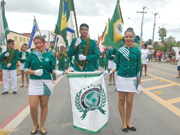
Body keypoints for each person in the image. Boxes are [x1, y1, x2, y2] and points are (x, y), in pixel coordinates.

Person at [24, 35, 63, 134]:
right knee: (33, 106)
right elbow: (25, 69)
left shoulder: (50, 55)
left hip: (46, 82)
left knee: (44, 105)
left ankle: (42, 126)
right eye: (36, 43)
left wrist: (56, 72)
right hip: (34, 83)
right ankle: (35, 125)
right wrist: (34, 72)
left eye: (40, 42)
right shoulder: (32, 54)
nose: (38, 45)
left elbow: (52, 69)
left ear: (44, 42)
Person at [105, 28, 141, 132]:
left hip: (132, 79)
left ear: (133, 38)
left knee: (129, 102)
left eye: (130, 37)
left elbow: (138, 68)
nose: (128, 38)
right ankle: (124, 123)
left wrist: (139, 84)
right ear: (124, 38)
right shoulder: (120, 50)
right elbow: (117, 65)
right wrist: (111, 71)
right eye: (127, 37)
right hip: (121, 78)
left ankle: (128, 122)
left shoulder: (137, 52)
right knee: (121, 101)